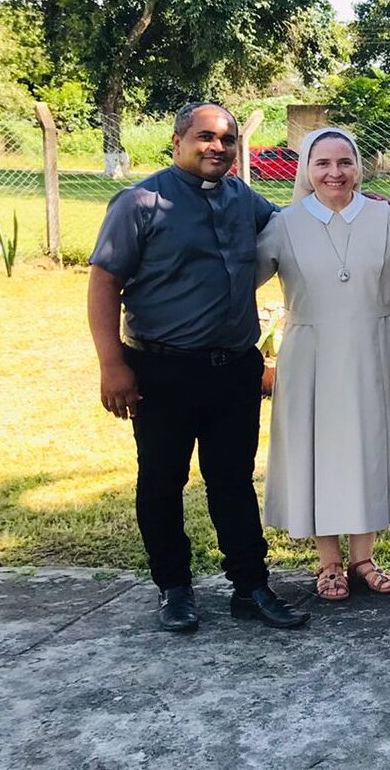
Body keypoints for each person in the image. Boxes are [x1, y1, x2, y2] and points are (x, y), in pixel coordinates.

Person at [88, 102, 309, 631]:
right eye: (206, 137)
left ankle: (250, 586)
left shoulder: (242, 198)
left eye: (228, 139)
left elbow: (293, 225)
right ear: (178, 142)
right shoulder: (140, 203)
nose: (218, 147)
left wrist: (353, 204)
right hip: (162, 370)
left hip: (233, 370)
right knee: (162, 480)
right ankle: (174, 587)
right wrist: (112, 365)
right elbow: (104, 282)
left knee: (232, 480)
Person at [256, 127, 390, 601]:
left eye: (344, 162)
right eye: (323, 164)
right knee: (318, 454)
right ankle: (329, 562)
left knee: (367, 451)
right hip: (310, 358)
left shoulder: (387, 219)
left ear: (358, 167)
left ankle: (363, 558)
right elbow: (240, 279)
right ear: (306, 170)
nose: (334, 173)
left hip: (376, 352)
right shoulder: (284, 224)